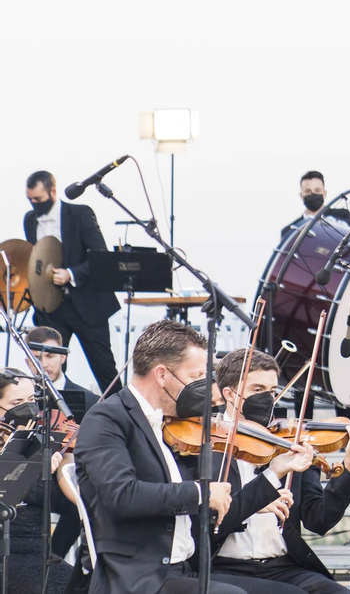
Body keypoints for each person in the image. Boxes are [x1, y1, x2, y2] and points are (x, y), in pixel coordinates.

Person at [72, 318, 247, 594]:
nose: (202, 388)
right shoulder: (107, 418)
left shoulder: (168, 423)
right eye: (195, 377)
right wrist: (200, 493)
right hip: (138, 575)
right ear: (162, 374)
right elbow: (122, 495)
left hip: (184, 568)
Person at [198, 347, 350, 594]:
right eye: (257, 390)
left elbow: (319, 520)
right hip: (223, 567)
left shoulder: (288, 443)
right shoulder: (206, 443)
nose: (267, 399)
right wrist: (259, 500)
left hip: (284, 566)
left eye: (272, 391)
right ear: (228, 393)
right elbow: (205, 522)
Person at [23, 170, 121, 393]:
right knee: (49, 368)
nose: (34, 204)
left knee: (104, 367)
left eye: (38, 199)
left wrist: (71, 274)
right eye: (30, 200)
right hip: (52, 308)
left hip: (87, 304)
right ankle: (53, 412)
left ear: (52, 191)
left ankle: (121, 411)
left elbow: (100, 254)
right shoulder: (30, 220)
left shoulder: (80, 214)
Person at [0, 369, 75, 593]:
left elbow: (72, 501)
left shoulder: (45, 440)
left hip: (40, 552)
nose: (29, 408)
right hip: (7, 553)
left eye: (32, 399)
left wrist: (67, 465)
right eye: (17, 402)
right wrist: (31, 469)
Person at [28, 325, 89, 557]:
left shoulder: (89, 399)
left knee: (81, 504)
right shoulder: (21, 396)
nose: (44, 364)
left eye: (51, 356)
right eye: (36, 358)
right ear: (27, 361)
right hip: (30, 479)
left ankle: (54, 559)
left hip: (67, 477)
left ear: (63, 357)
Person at [279, 172, 350, 239]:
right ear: (301, 196)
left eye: (317, 190)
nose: (313, 194)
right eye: (307, 191)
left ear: (324, 193)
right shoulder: (290, 230)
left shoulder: (342, 215)